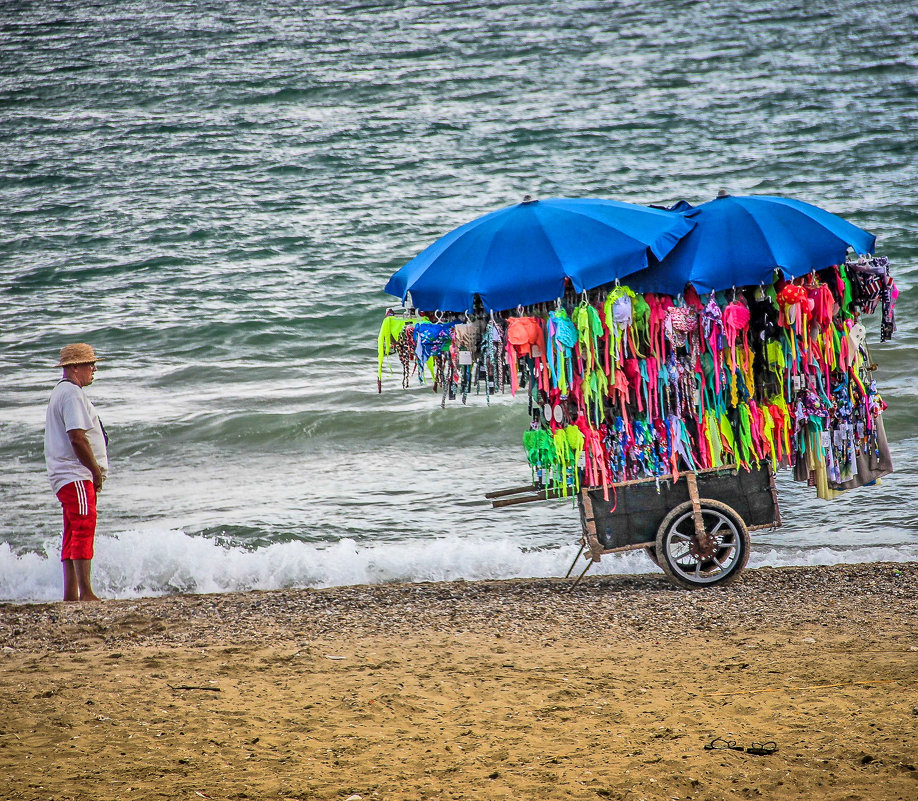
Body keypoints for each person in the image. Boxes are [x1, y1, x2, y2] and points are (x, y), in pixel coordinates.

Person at [44, 343, 109, 601]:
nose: (94, 368)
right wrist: (94, 471)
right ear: (74, 368)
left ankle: (71, 594)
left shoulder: (62, 392)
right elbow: (77, 437)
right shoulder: (71, 393)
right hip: (75, 474)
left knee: (72, 532)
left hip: (65, 475)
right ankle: (86, 593)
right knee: (83, 528)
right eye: (89, 364)